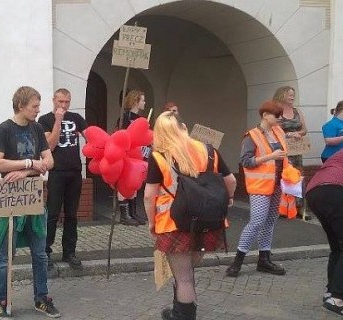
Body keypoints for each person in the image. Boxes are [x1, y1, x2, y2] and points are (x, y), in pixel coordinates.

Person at [144, 111, 236, 320]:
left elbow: (149, 196)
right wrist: (228, 199)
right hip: (210, 221)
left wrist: (151, 223)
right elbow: (230, 181)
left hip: (175, 224)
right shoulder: (209, 151)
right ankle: (179, 310)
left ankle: (183, 315)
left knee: (184, 277)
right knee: (186, 272)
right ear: (184, 127)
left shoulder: (159, 156)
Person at [0, 86, 59, 318]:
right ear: (21, 105)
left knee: (39, 254)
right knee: (5, 256)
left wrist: (26, 172)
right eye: (35, 106)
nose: (38, 110)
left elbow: (49, 161)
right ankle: (1, 300)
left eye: (38, 106)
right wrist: (29, 164)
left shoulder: (38, 129)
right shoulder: (4, 130)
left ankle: (42, 298)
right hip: (9, 200)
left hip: (34, 197)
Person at [226, 101, 291, 277]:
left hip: (278, 184)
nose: (280, 118)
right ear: (265, 116)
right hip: (260, 187)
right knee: (256, 223)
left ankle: (264, 259)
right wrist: (270, 156)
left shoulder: (279, 132)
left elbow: (284, 157)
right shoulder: (251, 136)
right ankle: (237, 261)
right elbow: (246, 162)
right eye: (276, 115)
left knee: (270, 222)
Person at [37, 88, 87, 270]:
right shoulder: (45, 120)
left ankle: (69, 252)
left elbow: (91, 138)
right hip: (57, 172)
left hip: (75, 171)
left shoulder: (76, 118)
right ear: (53, 101)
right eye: (60, 101)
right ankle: (46, 252)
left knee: (72, 215)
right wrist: (58, 120)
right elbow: (50, 145)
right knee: (52, 213)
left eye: (67, 102)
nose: (64, 105)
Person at [305, 149, 343, 315]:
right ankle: (336, 298)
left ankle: (330, 292)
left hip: (314, 190)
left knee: (337, 246)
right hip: (334, 190)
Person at [273, 86, 307, 218]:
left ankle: (298, 207)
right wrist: (286, 135)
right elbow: (271, 128)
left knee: (297, 177)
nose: (292, 97)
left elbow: (304, 130)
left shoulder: (297, 111)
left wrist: (297, 133)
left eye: (293, 94)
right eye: (289, 95)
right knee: (283, 176)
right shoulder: (276, 110)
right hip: (282, 151)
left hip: (296, 150)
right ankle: (281, 207)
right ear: (282, 95)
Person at [115, 89, 146, 226]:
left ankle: (133, 213)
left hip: (137, 154)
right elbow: (121, 135)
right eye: (143, 100)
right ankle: (124, 215)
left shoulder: (140, 119)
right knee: (124, 183)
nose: (144, 103)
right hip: (126, 154)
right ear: (135, 101)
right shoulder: (125, 117)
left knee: (134, 183)